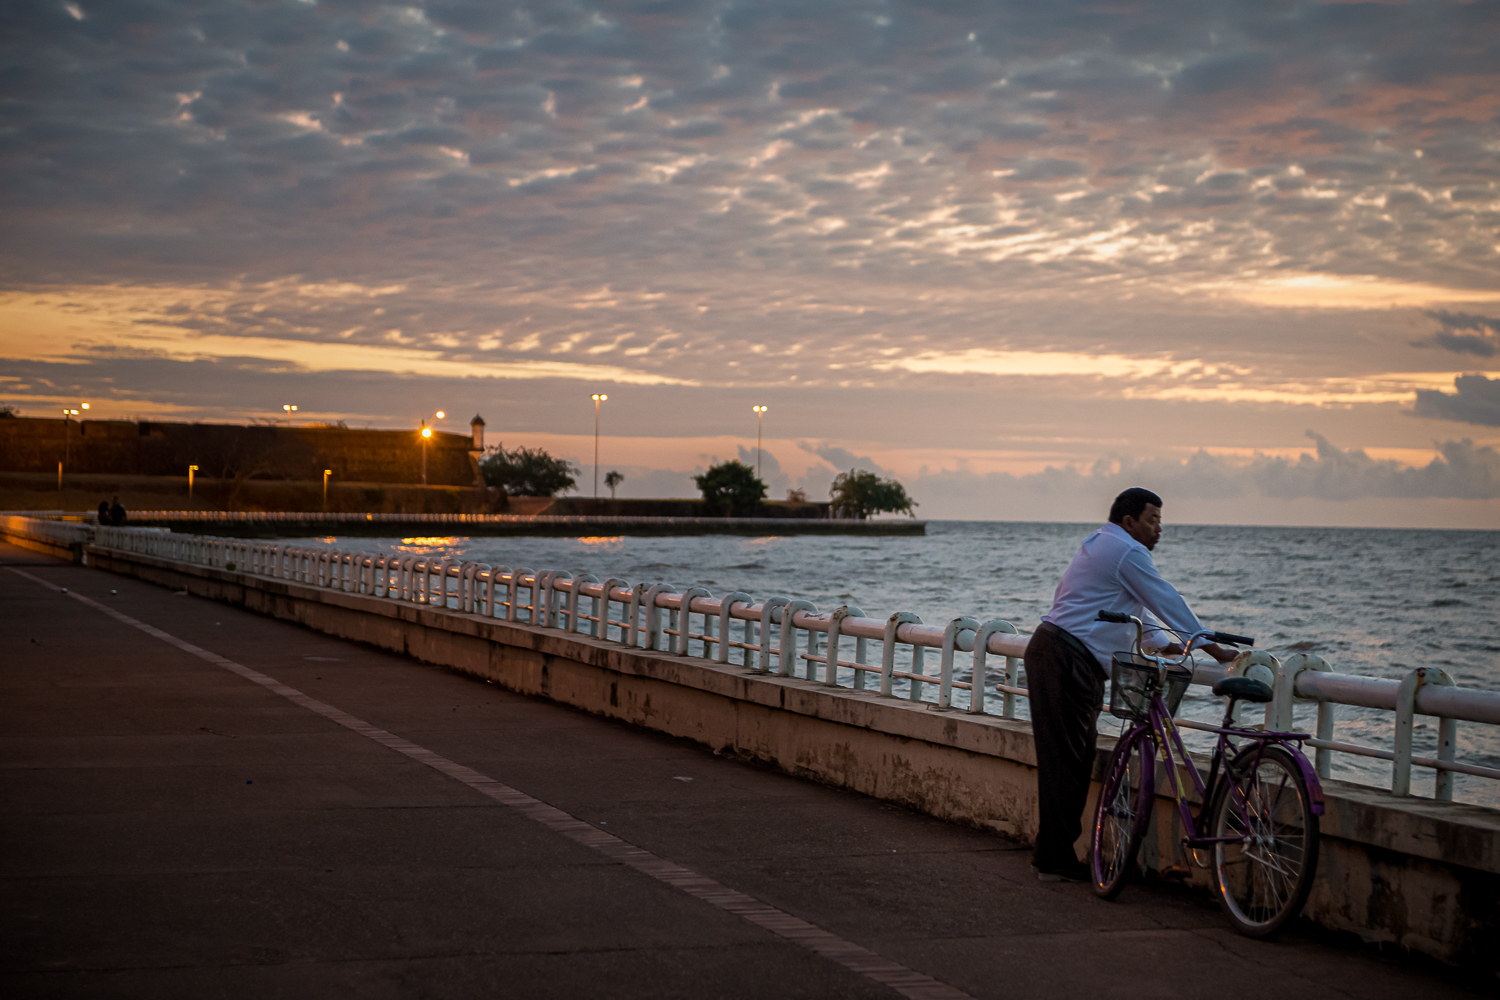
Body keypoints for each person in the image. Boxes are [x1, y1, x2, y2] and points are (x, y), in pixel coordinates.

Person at [1025, 487, 1237, 882]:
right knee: (1066, 764)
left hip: (1059, 655)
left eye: (1161, 520)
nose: (1159, 529)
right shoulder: (1127, 551)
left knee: (1071, 761)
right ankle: (1051, 860)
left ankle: (1053, 855)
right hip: (1066, 659)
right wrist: (1211, 648)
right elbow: (1164, 598)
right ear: (1129, 521)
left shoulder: (1104, 544)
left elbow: (1135, 608)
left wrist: (1167, 644)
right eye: (1152, 519)